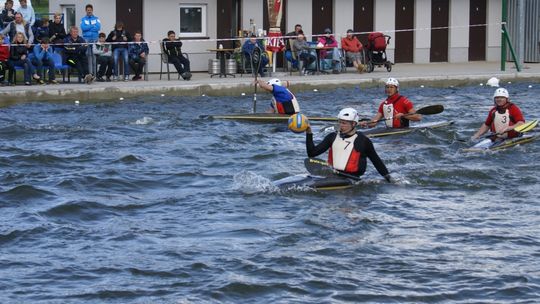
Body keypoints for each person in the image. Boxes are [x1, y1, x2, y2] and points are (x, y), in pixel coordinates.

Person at [305, 107, 393, 182]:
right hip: (332, 176)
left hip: (352, 179)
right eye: (340, 122)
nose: (341, 125)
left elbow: (376, 161)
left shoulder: (363, 141)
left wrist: (389, 179)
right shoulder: (332, 137)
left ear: (354, 124)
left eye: (344, 123)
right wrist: (309, 133)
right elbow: (312, 153)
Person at [80, 4, 100, 75]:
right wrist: (92, 26)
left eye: (90, 10)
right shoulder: (83, 19)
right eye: (88, 10)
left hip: (95, 39)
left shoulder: (96, 18)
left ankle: (95, 74)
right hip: (86, 39)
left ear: (92, 10)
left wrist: (88, 27)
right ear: (86, 11)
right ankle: (90, 74)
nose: (89, 11)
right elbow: (83, 28)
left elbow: (98, 28)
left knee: (94, 57)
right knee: (88, 57)